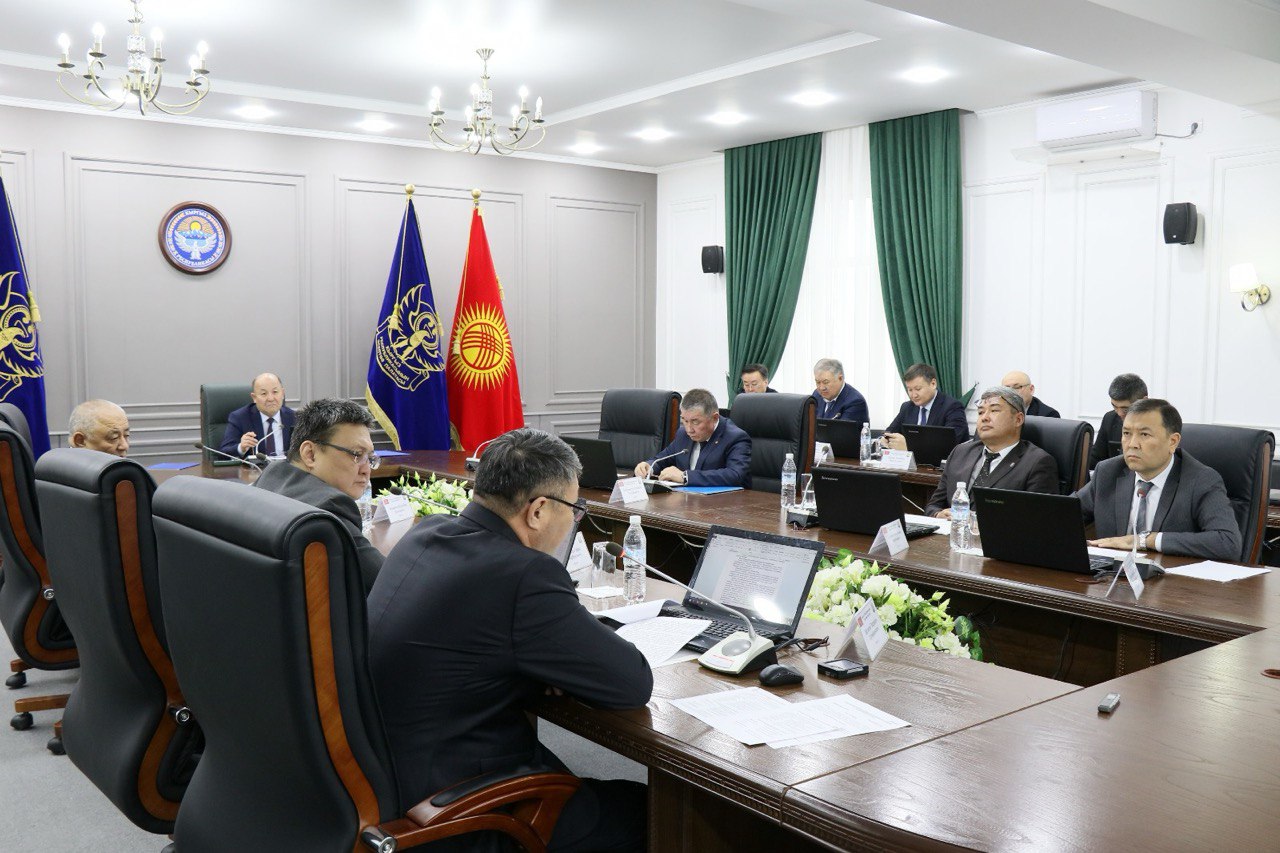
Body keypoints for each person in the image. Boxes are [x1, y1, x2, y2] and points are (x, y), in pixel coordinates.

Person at [367, 428, 652, 853]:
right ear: (538, 510)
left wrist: (541, 664)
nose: (574, 520)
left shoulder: (425, 535)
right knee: (658, 813)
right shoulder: (523, 574)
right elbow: (631, 683)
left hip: (391, 780)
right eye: (575, 509)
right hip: (464, 811)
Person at [1074, 399, 1240, 560]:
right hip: (1112, 574)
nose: (1132, 444)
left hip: (1171, 576)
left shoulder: (1201, 480)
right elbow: (1064, 516)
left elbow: (1228, 542)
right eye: (1126, 433)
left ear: (1172, 442)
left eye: (1144, 434)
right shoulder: (1108, 472)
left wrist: (1145, 540)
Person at [253, 398, 383, 594]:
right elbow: (392, 587)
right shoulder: (329, 511)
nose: (366, 470)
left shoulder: (269, 479)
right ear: (310, 454)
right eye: (357, 454)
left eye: (370, 458)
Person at [924, 386, 1059, 517]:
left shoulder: (1037, 462)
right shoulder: (960, 452)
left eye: (994, 410)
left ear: (1018, 419)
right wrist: (939, 514)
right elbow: (933, 506)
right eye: (981, 412)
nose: (984, 418)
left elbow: (1038, 520)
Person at [634, 388, 751, 487]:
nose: (689, 429)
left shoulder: (735, 437)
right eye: (684, 420)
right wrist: (649, 466)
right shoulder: (683, 434)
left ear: (714, 418)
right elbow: (663, 459)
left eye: (695, 422)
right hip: (686, 500)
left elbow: (735, 475)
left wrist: (685, 477)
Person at [882, 363, 970, 448]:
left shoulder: (952, 407)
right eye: (910, 390)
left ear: (933, 384)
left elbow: (947, 444)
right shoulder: (907, 407)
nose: (914, 395)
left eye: (918, 389)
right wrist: (886, 439)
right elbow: (889, 432)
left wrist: (907, 447)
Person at [219, 372, 297, 458]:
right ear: (254, 397)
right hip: (255, 466)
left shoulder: (294, 418)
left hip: (286, 466)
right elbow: (223, 453)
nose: (270, 398)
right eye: (264, 394)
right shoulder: (240, 418)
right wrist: (241, 447)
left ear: (282, 393)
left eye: (275, 392)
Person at [1088, 373, 1147, 470]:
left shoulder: (1159, 423)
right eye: (1114, 406)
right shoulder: (1110, 418)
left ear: (1144, 401)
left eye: (1125, 409)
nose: (1119, 413)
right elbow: (1096, 458)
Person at [811, 358, 869, 422]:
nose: (821, 388)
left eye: (826, 382)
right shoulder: (817, 395)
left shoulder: (855, 402)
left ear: (840, 378)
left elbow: (841, 428)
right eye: (818, 382)